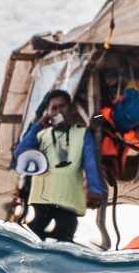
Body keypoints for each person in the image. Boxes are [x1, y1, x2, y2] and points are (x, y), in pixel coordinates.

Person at [11, 89, 104, 243]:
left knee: (64, 244)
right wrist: (38, 126)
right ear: (48, 112)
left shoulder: (82, 133)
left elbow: (90, 162)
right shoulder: (40, 135)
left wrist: (94, 188)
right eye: (53, 108)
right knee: (32, 241)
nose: (58, 111)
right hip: (42, 201)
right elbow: (19, 154)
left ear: (70, 110)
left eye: (62, 107)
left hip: (69, 202)